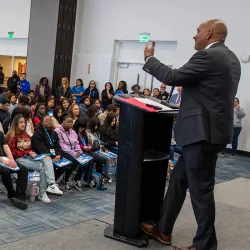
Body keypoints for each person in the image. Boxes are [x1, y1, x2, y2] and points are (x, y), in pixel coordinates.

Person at [140, 19, 241, 250]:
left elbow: (172, 77)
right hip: (211, 132)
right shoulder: (232, 58)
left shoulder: (207, 56)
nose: (194, 36)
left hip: (201, 134)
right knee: (178, 182)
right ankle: (163, 230)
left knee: (201, 191)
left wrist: (149, 59)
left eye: (197, 31)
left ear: (210, 32)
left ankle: (205, 245)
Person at [6, 114, 63, 203]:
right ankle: (43, 191)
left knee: (47, 158)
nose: (23, 124)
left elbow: (29, 148)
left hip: (28, 158)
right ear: (15, 123)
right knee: (42, 167)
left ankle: (50, 186)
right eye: (20, 122)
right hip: (18, 159)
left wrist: (31, 152)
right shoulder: (11, 135)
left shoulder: (27, 135)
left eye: (24, 122)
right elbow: (12, 152)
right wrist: (27, 152)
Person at [55, 113, 86, 190]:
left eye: (71, 122)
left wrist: (79, 151)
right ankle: (62, 181)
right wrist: (73, 153)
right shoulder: (58, 131)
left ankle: (73, 179)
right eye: (68, 122)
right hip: (62, 151)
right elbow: (62, 145)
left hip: (74, 152)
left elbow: (77, 143)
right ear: (63, 121)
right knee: (73, 161)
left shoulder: (73, 132)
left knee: (86, 160)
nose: (70, 124)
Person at [31, 114, 66, 183]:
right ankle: (49, 183)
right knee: (50, 164)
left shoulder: (54, 133)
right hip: (42, 155)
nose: (48, 122)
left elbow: (58, 146)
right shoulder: (38, 133)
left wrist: (59, 155)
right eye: (46, 121)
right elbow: (40, 149)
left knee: (64, 165)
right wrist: (52, 156)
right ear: (42, 123)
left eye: (50, 120)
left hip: (53, 155)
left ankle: (52, 182)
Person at [0, 130, 28, 210]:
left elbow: (6, 147)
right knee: (5, 171)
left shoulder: (0, 133)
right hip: (1, 160)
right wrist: (2, 160)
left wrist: (12, 160)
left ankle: (20, 197)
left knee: (23, 169)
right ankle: (11, 192)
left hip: (4, 159)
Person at [86, 117, 112, 182]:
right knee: (107, 158)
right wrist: (99, 147)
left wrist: (103, 148)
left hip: (98, 149)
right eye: (95, 125)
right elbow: (91, 147)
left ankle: (106, 175)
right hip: (93, 151)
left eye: (97, 125)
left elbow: (99, 142)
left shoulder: (95, 132)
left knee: (109, 157)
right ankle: (103, 176)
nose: (96, 127)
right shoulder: (88, 133)